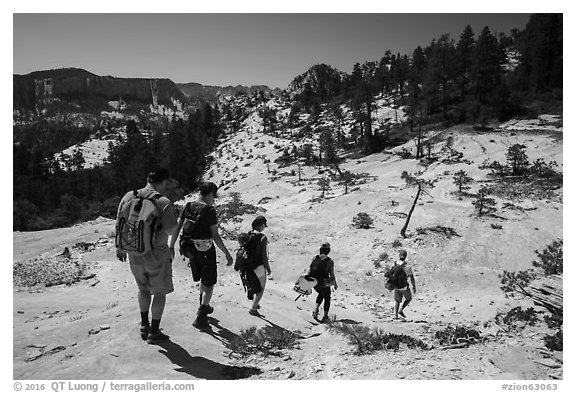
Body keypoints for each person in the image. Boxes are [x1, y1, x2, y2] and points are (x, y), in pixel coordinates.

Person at [116, 168, 177, 344]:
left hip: (134, 251)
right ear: (163, 182)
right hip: (157, 253)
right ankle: (155, 331)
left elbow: (120, 222)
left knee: (143, 290)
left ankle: (144, 325)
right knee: (159, 292)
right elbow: (171, 230)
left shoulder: (128, 196)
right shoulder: (163, 201)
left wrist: (120, 248)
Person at [170, 181, 233, 329]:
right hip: (205, 249)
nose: (214, 199)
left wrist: (171, 246)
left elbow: (177, 227)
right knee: (209, 282)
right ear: (210, 193)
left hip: (189, 248)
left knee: (202, 278)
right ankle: (201, 314)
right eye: (214, 196)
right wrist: (227, 254)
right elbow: (215, 236)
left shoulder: (187, 206)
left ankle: (204, 304)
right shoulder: (209, 210)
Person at [247, 216, 272, 317]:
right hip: (259, 266)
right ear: (261, 225)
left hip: (247, 266)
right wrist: (268, 269)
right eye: (264, 226)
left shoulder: (248, 235)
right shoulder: (262, 237)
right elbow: (264, 256)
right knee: (260, 288)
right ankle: (253, 308)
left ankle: (255, 303)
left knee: (253, 285)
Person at [309, 242, 338, 323]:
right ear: (328, 251)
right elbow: (332, 274)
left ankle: (315, 309)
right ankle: (325, 316)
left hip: (314, 282)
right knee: (327, 297)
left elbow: (310, 270)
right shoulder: (329, 261)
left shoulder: (315, 258)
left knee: (321, 293)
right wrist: (335, 284)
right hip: (324, 282)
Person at [392, 249, 417, 319]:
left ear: (399, 256)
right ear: (405, 256)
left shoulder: (395, 264)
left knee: (397, 301)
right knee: (409, 298)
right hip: (404, 286)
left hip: (396, 285)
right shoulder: (407, 267)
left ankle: (395, 316)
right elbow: (411, 277)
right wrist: (414, 286)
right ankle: (401, 309)